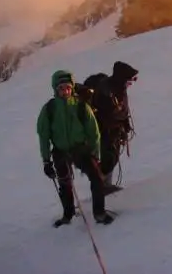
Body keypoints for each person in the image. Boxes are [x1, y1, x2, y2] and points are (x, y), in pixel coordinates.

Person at [36, 70, 114, 227]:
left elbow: (94, 132)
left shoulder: (81, 106)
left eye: (67, 88)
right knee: (65, 184)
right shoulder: (49, 109)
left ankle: (99, 213)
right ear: (55, 90)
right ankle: (68, 215)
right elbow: (44, 136)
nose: (65, 91)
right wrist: (46, 161)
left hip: (80, 149)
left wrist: (95, 154)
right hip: (60, 151)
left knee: (97, 179)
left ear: (72, 88)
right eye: (61, 88)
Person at [87, 61, 138, 190]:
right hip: (103, 131)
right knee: (107, 158)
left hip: (113, 130)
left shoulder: (119, 88)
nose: (132, 82)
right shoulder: (106, 90)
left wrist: (125, 125)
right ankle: (102, 186)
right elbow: (109, 112)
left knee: (111, 157)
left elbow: (123, 110)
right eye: (131, 79)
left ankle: (105, 185)